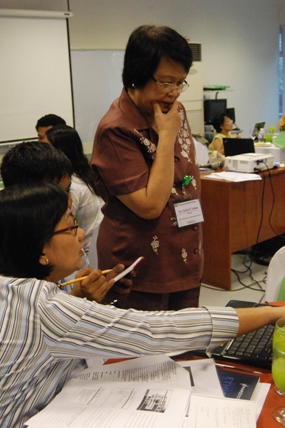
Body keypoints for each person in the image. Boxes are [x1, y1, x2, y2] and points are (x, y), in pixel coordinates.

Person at [0, 182, 285, 428]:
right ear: (40, 250)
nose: (82, 235)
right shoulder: (41, 305)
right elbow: (157, 331)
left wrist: (77, 301)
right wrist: (273, 312)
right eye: (71, 226)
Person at [90, 25, 201, 311]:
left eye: (180, 82)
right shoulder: (116, 128)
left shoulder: (174, 111)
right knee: (145, 340)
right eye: (166, 82)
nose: (174, 92)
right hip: (139, 268)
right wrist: (167, 137)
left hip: (184, 254)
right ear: (137, 76)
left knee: (188, 336)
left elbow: (184, 179)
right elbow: (150, 206)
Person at [0, 141, 129, 304]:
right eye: (55, 193)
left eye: (68, 190)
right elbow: (27, 319)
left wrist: (100, 290)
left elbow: (77, 285)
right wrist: (77, 299)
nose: (68, 201)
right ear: (22, 196)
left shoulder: (65, 238)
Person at [46, 125, 103, 256]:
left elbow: (62, 227)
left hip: (86, 248)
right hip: (96, 242)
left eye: (48, 148)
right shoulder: (86, 172)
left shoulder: (72, 186)